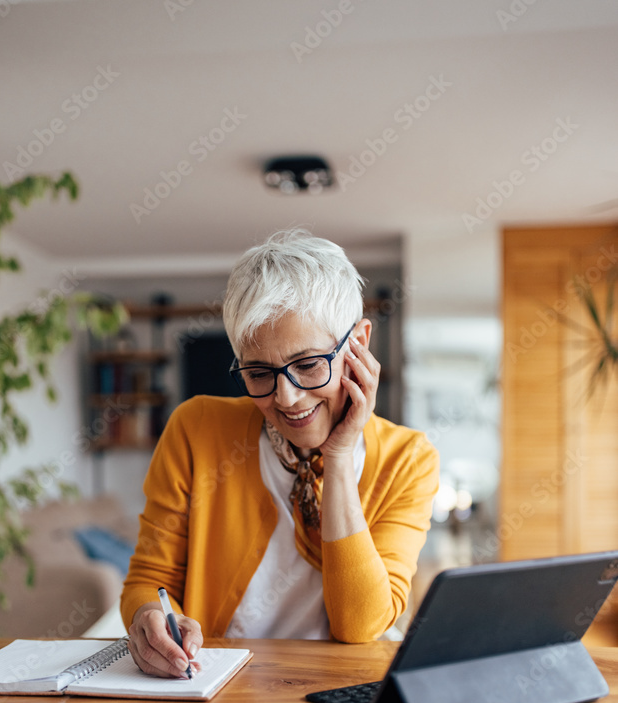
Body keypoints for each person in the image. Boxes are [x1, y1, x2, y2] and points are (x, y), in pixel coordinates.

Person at [121, 228, 439, 678]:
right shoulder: (196, 429)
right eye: (258, 372)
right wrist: (146, 619)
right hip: (217, 688)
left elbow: (361, 624)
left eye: (308, 365)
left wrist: (340, 456)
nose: (286, 398)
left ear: (359, 346)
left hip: (338, 692)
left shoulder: (409, 459)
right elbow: (147, 582)